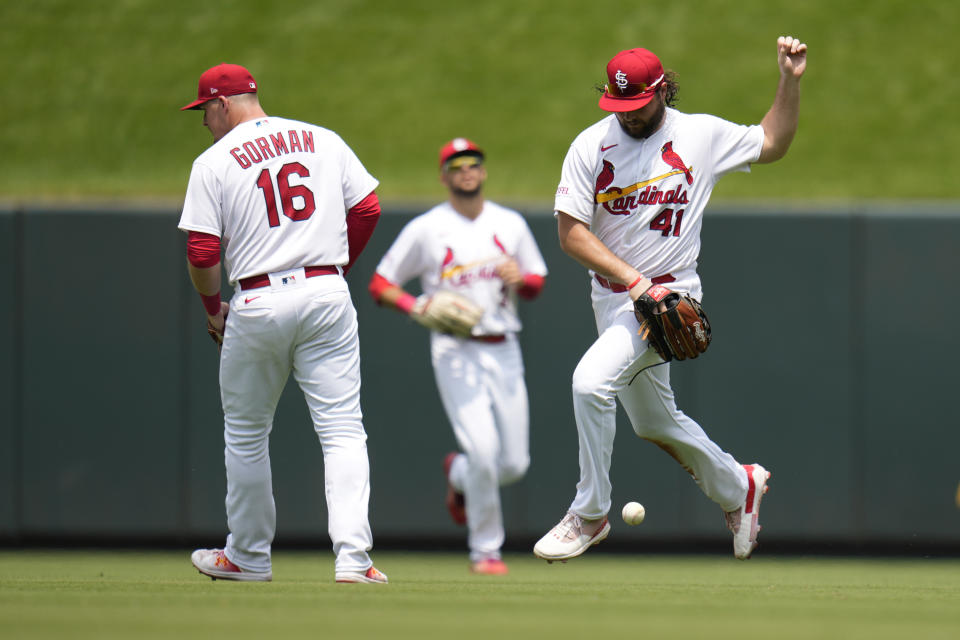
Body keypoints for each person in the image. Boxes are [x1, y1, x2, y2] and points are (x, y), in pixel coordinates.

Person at [534, 36, 807, 562]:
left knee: (590, 384)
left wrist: (789, 81)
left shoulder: (699, 134)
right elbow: (571, 235)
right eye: (619, 106)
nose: (628, 115)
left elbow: (773, 141)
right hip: (618, 298)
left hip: (671, 293)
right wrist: (634, 282)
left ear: (661, 91)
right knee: (654, 422)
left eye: (637, 104)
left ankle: (590, 513)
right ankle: (738, 487)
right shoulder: (590, 146)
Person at [178, 63, 387, 584]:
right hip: (327, 292)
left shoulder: (214, 160)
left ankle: (247, 557)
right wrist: (337, 268)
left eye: (204, 109)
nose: (203, 120)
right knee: (342, 429)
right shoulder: (323, 138)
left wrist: (212, 310)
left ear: (223, 104)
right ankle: (354, 562)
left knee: (247, 434)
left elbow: (202, 248)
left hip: (258, 298)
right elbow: (366, 208)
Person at [368, 138, 548, 575]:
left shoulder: (510, 223)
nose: (466, 170)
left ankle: (458, 475)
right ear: (444, 176)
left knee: (514, 464)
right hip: (455, 350)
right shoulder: (428, 228)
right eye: (456, 164)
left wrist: (520, 278)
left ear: (483, 172)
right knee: (485, 452)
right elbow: (380, 283)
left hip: (504, 346)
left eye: (473, 163)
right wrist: (417, 306)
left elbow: (537, 281)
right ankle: (485, 551)